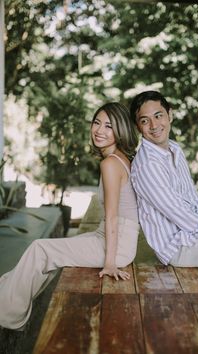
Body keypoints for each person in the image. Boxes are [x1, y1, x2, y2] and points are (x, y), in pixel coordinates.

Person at [0, 102, 139, 330]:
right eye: (97, 123)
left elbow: (113, 216)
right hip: (110, 236)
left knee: (41, 249)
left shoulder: (111, 164)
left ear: (120, 130)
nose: (99, 131)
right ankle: (8, 298)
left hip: (117, 243)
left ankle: (7, 314)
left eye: (108, 126)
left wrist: (111, 263)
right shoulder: (121, 158)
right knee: (50, 252)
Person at [130, 90, 198, 267]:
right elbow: (184, 216)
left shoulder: (174, 149)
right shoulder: (147, 165)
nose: (154, 125)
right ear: (138, 127)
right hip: (180, 247)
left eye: (158, 116)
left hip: (195, 233)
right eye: (144, 120)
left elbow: (194, 199)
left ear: (170, 115)